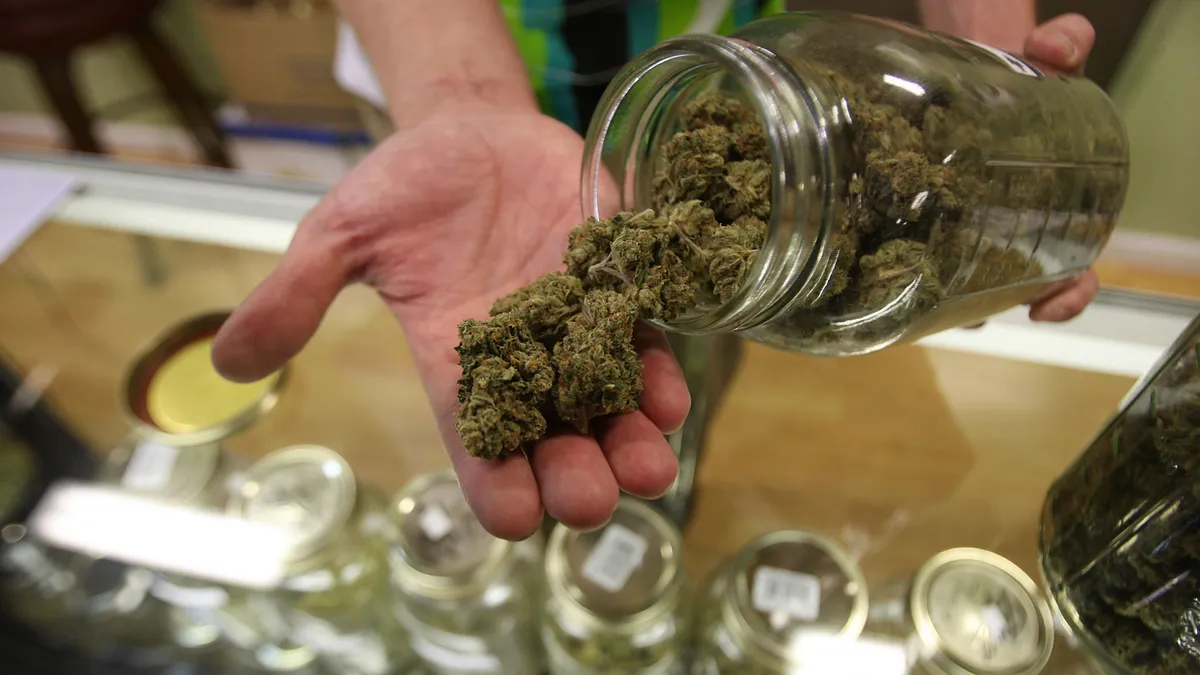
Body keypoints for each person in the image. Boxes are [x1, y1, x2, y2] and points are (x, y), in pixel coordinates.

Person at [210, 0, 1102, 542]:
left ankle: (672, 490)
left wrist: (991, 84)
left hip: (737, 67)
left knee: (697, 366)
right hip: (442, 58)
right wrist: (462, 99)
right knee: (655, 389)